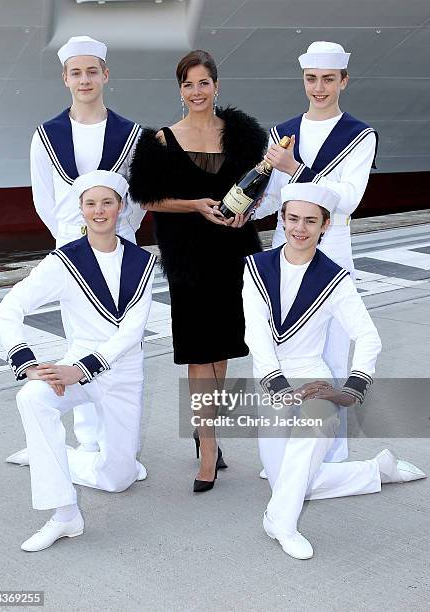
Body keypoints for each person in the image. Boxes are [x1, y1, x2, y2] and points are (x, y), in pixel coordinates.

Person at [242, 182, 426, 560]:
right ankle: (377, 471)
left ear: (325, 226)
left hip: (314, 378)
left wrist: (351, 388)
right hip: (270, 378)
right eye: (293, 218)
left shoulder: (335, 278)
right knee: (290, 481)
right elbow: (255, 333)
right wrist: (277, 386)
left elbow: (368, 337)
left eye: (311, 221)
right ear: (282, 218)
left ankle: (281, 522)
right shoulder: (255, 267)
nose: (300, 228)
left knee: (304, 452)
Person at [0, 171, 156, 552]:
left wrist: (81, 369)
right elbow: (9, 309)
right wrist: (29, 364)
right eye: (90, 204)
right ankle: (65, 515)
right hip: (78, 364)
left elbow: (131, 333)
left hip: (122, 370)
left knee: (118, 479)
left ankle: (49, 454)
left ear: (120, 208)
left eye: (107, 203)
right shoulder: (63, 262)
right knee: (32, 398)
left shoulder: (143, 261)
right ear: (80, 210)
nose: (99, 211)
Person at [129, 50, 267, 492]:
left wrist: (249, 211)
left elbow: (256, 185)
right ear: (180, 90)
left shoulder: (241, 135)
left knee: (222, 348)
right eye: (188, 85)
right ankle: (208, 447)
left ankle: (207, 429)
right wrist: (195, 204)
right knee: (197, 351)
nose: (196, 92)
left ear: (216, 86)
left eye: (203, 83)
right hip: (188, 257)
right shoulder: (163, 141)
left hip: (232, 251)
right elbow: (147, 200)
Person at [19, 35, 144, 456]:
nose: (85, 79)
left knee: (123, 343)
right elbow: (43, 198)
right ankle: (88, 441)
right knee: (80, 341)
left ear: (105, 75)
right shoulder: (46, 135)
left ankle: (116, 440)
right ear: (65, 79)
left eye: (92, 71)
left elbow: (140, 199)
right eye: (77, 72)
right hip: (72, 252)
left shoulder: (131, 135)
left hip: (120, 251)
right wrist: (73, 240)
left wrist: (118, 234)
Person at [254, 41, 378, 462]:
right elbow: (275, 195)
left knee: (333, 344)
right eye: (312, 79)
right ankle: (287, 442)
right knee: (282, 336)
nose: (319, 88)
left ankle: (331, 451)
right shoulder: (284, 130)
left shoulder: (359, 135)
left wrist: (294, 169)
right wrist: (245, 208)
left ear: (343, 80)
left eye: (328, 80)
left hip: (333, 241)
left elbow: (348, 199)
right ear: (303, 80)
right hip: (284, 240)